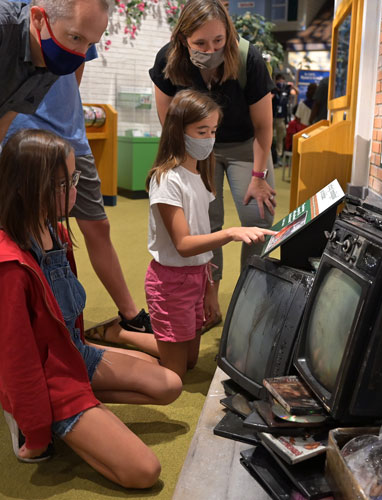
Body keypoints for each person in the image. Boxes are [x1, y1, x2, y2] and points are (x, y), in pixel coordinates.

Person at [0, 129, 182, 487]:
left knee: (170, 384)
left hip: (72, 354)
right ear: (28, 188)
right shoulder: (9, 266)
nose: (75, 189)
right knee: (144, 471)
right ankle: (30, 414)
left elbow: (67, 319)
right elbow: (16, 360)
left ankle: (75, 408)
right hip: (48, 377)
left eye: (75, 177)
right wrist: (37, 433)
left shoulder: (56, 232)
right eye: (64, 183)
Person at [5, 46, 154, 344]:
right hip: (19, 137)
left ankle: (127, 315)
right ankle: (32, 327)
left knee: (97, 226)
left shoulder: (78, 12)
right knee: (20, 232)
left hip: (69, 136)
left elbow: (76, 68)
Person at [149, 0, 277, 331]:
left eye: (218, 41)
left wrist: (259, 177)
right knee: (208, 225)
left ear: (228, 34)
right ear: (183, 39)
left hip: (245, 145)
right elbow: (171, 122)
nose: (211, 49)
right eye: (201, 44)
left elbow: (264, 127)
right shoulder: (168, 59)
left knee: (257, 218)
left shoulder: (249, 57)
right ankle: (211, 300)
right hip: (197, 147)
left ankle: (251, 301)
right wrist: (184, 165)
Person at [144, 89, 275, 379]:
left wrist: (208, 290)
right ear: (178, 132)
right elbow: (184, 245)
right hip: (170, 282)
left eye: (213, 131)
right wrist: (230, 233)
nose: (209, 139)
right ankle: (120, 339)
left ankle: (158, 340)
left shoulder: (200, 177)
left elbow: (200, 248)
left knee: (190, 362)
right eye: (201, 131)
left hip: (195, 277)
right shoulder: (166, 179)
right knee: (175, 373)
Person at [0, 0, 109, 142]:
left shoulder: (49, 58)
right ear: (39, 18)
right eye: (76, 37)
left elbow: (7, 114)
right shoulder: (5, 28)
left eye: (90, 44)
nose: (82, 53)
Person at [272, 73, 294, 163]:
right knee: (271, 137)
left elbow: (295, 92)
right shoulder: (273, 89)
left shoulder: (286, 89)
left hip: (281, 118)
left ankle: (278, 157)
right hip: (272, 117)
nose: (281, 82)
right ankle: (271, 157)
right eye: (279, 80)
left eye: (282, 80)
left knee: (280, 138)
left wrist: (292, 86)